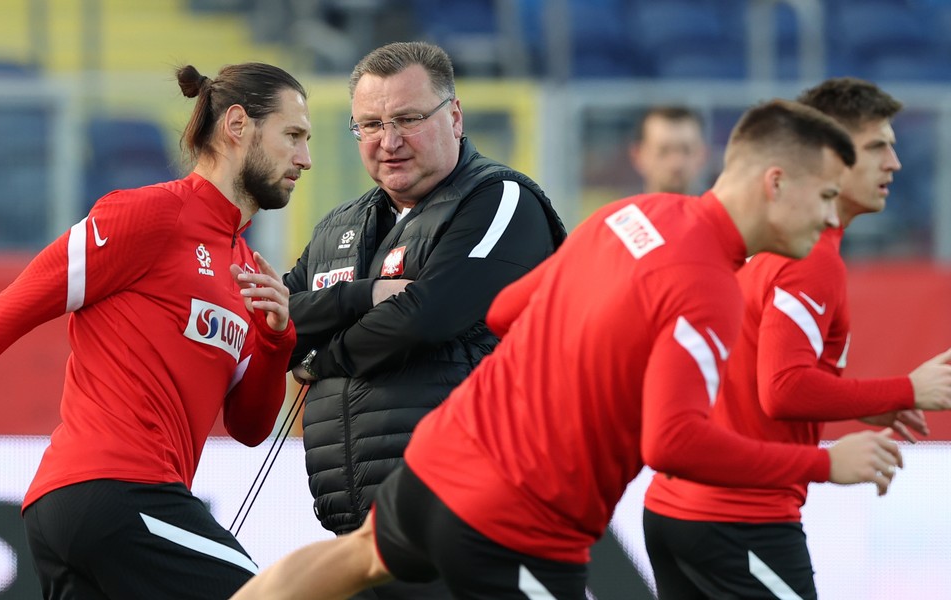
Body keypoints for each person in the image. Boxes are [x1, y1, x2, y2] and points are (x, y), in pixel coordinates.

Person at [231, 99, 906, 600]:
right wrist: (826, 461)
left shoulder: (626, 215)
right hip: (520, 520)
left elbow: (506, 310)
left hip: (441, 461)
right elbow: (672, 444)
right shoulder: (712, 289)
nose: (827, 217)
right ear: (776, 182)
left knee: (355, 559)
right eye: (823, 196)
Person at [0, 62, 312, 599]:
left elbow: (250, 427)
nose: (305, 158)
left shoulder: (248, 270)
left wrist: (275, 340)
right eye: (294, 136)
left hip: (80, 514)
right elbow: (12, 309)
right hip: (116, 494)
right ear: (238, 124)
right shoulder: (147, 214)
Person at [642, 79, 951, 600]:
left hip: (677, 509)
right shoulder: (811, 256)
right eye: (878, 146)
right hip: (739, 519)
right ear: (831, 154)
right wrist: (905, 389)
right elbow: (782, 389)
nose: (895, 163)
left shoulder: (758, 234)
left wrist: (871, 402)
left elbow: (760, 379)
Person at [281, 40, 566, 599]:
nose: (388, 142)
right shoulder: (338, 226)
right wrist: (358, 298)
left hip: (473, 514)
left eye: (408, 119)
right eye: (369, 125)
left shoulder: (501, 198)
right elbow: (277, 324)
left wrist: (323, 357)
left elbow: (423, 317)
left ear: (454, 117)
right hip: (363, 529)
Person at [630, 105, 710, 195]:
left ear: (703, 155)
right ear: (638, 156)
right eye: (663, 151)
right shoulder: (616, 209)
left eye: (686, 151)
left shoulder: (722, 209)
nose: (676, 163)